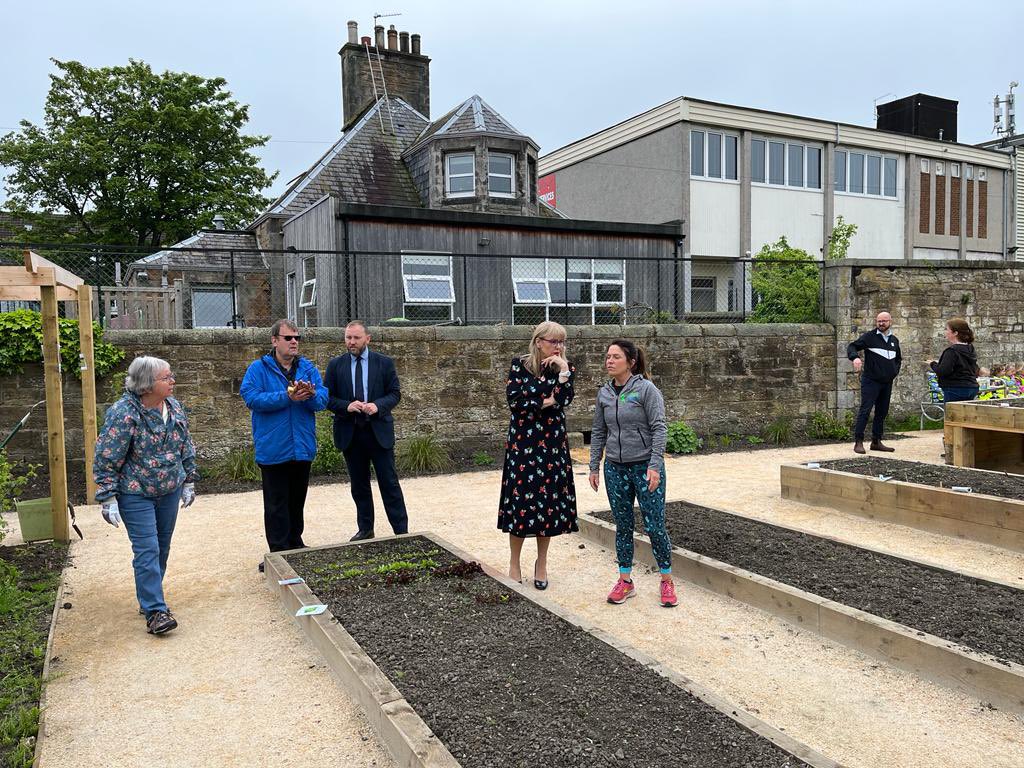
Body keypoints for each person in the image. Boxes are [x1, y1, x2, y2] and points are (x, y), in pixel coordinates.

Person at [93, 356, 197, 635]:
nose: (172, 381)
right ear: (147, 385)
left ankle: (149, 598)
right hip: (136, 493)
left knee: (162, 546)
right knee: (147, 549)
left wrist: (189, 480)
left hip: (170, 489)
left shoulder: (173, 406)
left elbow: (185, 443)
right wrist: (107, 497)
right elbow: (107, 456)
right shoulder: (124, 413)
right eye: (166, 378)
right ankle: (155, 611)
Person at [588, 340, 676, 608]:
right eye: (607, 356)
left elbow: (659, 428)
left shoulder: (646, 390)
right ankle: (625, 581)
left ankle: (667, 581)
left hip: (645, 467)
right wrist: (594, 466)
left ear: (631, 362)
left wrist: (654, 465)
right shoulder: (604, 393)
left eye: (615, 357)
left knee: (654, 525)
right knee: (623, 525)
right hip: (615, 467)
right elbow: (599, 431)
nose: (609, 361)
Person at [240, 320, 328, 569]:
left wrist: (310, 395)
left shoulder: (307, 368)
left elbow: (322, 399)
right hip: (273, 447)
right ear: (274, 340)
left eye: (297, 338)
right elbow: (251, 398)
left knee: (296, 499)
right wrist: (286, 396)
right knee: (276, 503)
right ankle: (277, 554)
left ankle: (295, 544)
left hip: (301, 446)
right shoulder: (258, 369)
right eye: (288, 338)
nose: (294, 342)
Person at [497, 321, 577, 589]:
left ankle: (541, 563)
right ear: (539, 341)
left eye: (562, 342)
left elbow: (565, 399)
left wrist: (563, 373)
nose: (558, 347)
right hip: (523, 443)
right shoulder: (520, 365)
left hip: (552, 443)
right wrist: (547, 397)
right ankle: (514, 562)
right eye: (554, 341)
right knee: (520, 504)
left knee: (549, 505)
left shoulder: (564, 368)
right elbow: (515, 402)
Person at [324, 320, 408, 541]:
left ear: (367, 339)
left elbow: (395, 393)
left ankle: (401, 531)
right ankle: (365, 529)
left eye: (356, 338)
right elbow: (327, 398)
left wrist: (378, 405)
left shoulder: (384, 363)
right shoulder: (335, 365)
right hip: (350, 433)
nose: (351, 342)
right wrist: (346, 406)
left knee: (389, 483)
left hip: (378, 432)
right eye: (348, 338)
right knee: (359, 485)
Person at [847, 311, 901, 454]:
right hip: (871, 381)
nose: (881, 323)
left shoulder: (894, 340)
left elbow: (898, 359)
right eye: (878, 321)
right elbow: (852, 346)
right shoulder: (869, 337)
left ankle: (876, 441)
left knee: (882, 412)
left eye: (884, 321)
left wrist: (893, 372)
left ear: (890, 321)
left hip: (886, 382)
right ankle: (858, 442)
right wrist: (855, 358)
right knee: (865, 411)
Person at [929, 318, 980, 404]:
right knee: (965, 416)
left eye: (947, 329)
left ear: (955, 333)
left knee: (952, 416)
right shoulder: (970, 348)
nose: (945, 332)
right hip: (971, 387)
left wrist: (932, 364)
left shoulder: (952, 351)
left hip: (955, 388)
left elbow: (943, 371)